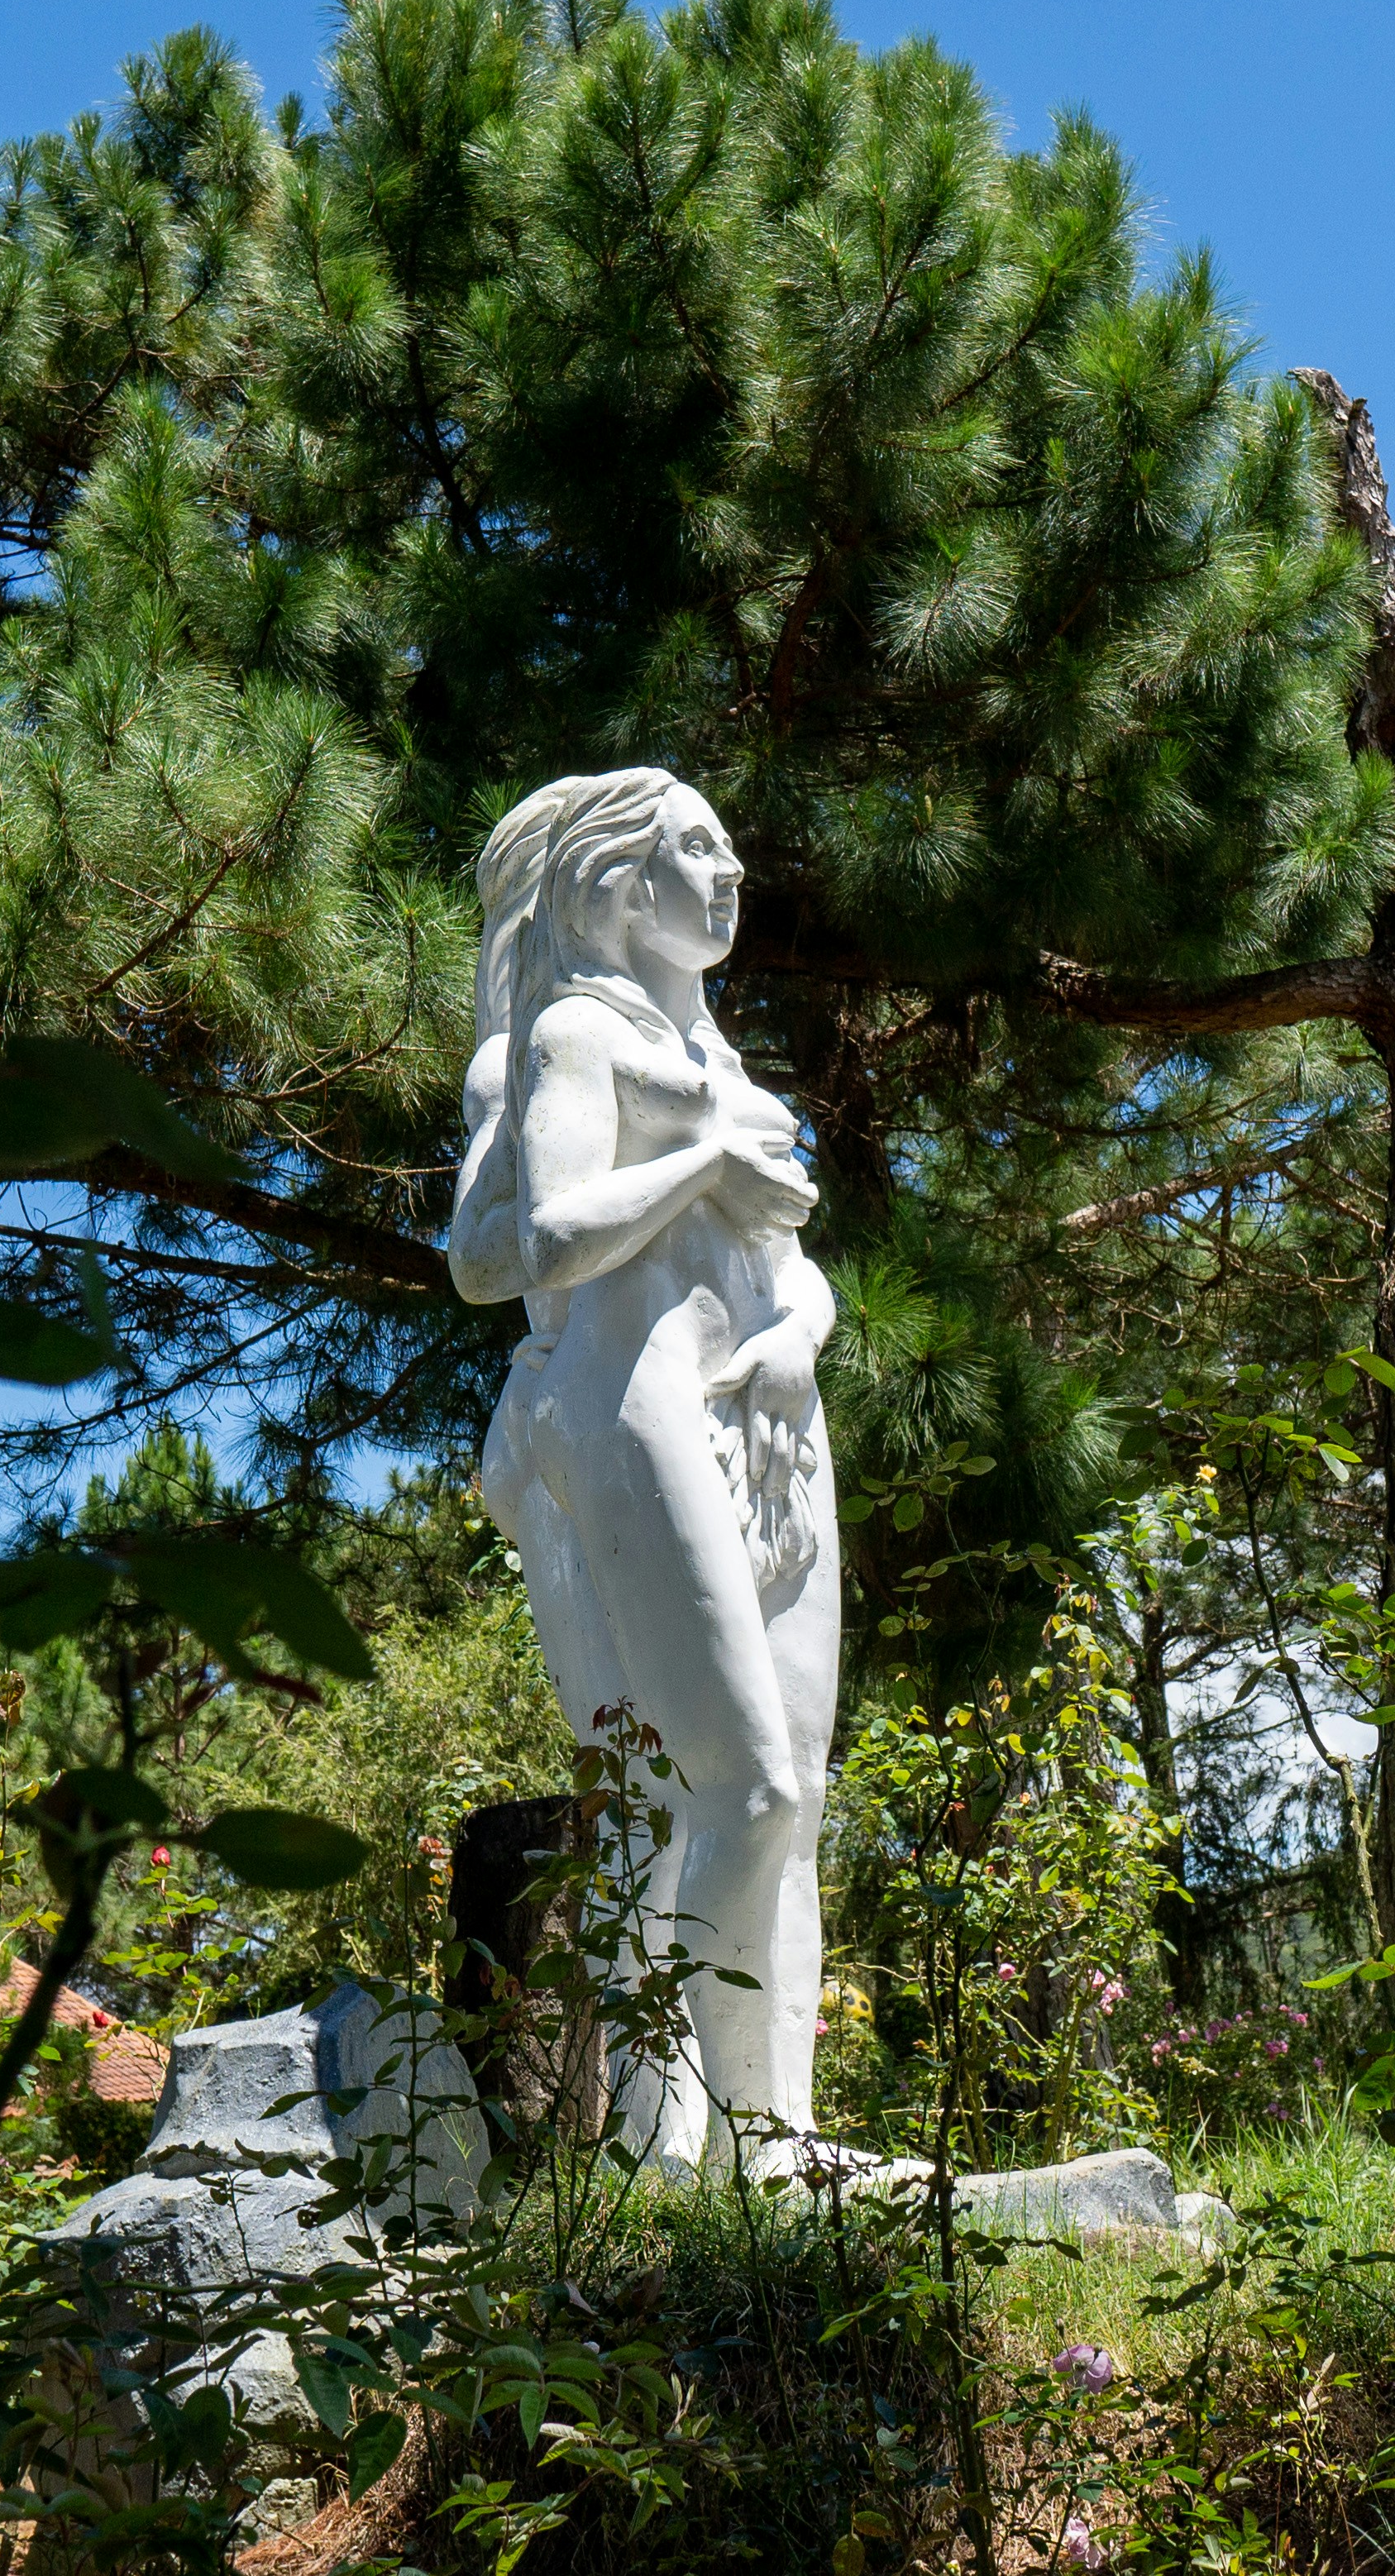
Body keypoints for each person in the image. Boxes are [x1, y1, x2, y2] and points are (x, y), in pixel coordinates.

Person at [452, 769, 844, 2168]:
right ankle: (698, 2145)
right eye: (698, 848)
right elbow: (531, 1246)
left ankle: (762, 2134)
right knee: (733, 1787)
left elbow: (794, 1270)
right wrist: (705, 1164)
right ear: (619, 887)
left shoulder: (720, 1064)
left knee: (789, 1786)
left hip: (768, 1417)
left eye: (733, 846)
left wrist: (801, 1337)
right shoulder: (569, 1034)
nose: (732, 870)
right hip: (636, 1392)